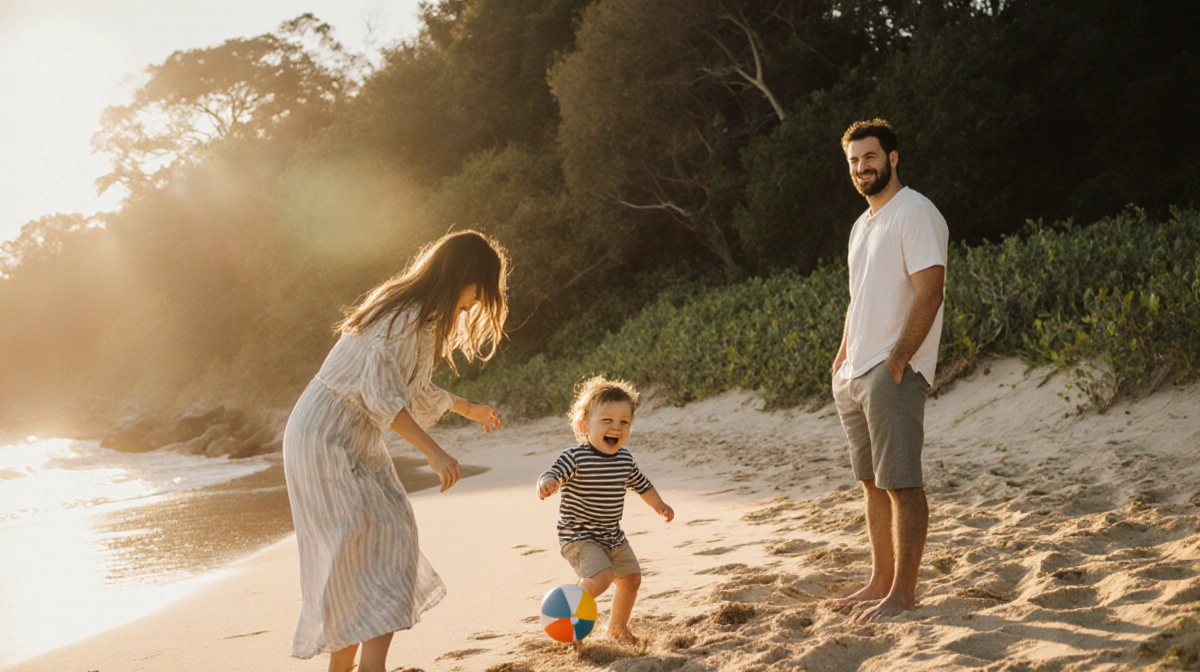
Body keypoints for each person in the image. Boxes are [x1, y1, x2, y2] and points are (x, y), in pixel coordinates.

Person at [283, 230, 509, 672]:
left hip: (350, 439)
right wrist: (435, 453)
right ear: (461, 276)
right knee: (385, 545)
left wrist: (470, 409)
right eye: (477, 292)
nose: (476, 305)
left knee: (371, 550)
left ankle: (347, 669)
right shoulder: (404, 317)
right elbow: (381, 396)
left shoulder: (420, 322)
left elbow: (414, 392)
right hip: (324, 439)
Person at [829, 119, 948, 624]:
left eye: (870, 157)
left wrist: (898, 360)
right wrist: (842, 357)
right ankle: (879, 581)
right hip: (856, 372)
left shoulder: (915, 213)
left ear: (893, 157)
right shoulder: (863, 224)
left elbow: (930, 291)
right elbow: (859, 298)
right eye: (854, 161)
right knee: (872, 484)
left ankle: (903, 593)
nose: (862, 168)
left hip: (892, 371)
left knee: (901, 484)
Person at [536, 376, 674, 644]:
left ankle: (617, 628)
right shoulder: (575, 456)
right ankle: (565, 609)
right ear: (584, 425)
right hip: (579, 536)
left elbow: (642, 485)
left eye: (624, 422)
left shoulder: (624, 459)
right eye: (607, 420)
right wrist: (547, 483)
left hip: (611, 535)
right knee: (602, 577)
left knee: (632, 579)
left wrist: (659, 505)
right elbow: (552, 472)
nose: (616, 427)